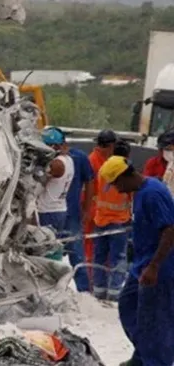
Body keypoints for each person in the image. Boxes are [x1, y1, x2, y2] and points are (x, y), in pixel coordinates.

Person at [99, 156, 174, 366]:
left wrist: (154, 266)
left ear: (125, 176)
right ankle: (142, 355)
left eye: (115, 184)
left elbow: (170, 229)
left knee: (155, 320)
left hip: (159, 267)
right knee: (128, 306)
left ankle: (156, 361)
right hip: (141, 263)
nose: (116, 189)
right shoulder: (140, 192)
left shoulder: (153, 193)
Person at [44, 127, 95, 291]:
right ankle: (55, 288)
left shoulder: (75, 158)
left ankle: (84, 289)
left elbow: (90, 181)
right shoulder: (65, 159)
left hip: (67, 212)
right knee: (53, 252)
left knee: (75, 253)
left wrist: (87, 209)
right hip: (62, 210)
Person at [92, 142, 133, 301]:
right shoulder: (125, 170)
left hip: (100, 219)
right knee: (118, 257)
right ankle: (114, 292)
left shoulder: (103, 168)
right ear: (127, 155)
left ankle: (98, 290)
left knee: (99, 256)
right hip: (119, 221)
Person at [37, 127, 75, 260]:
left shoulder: (57, 164)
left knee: (45, 250)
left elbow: (39, 178)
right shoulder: (68, 160)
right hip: (58, 209)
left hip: (48, 211)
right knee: (53, 247)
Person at [87, 129, 118, 280]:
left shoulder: (102, 160)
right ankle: (93, 282)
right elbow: (89, 190)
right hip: (95, 214)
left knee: (100, 252)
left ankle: (98, 282)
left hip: (102, 214)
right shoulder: (94, 161)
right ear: (111, 146)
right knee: (93, 250)